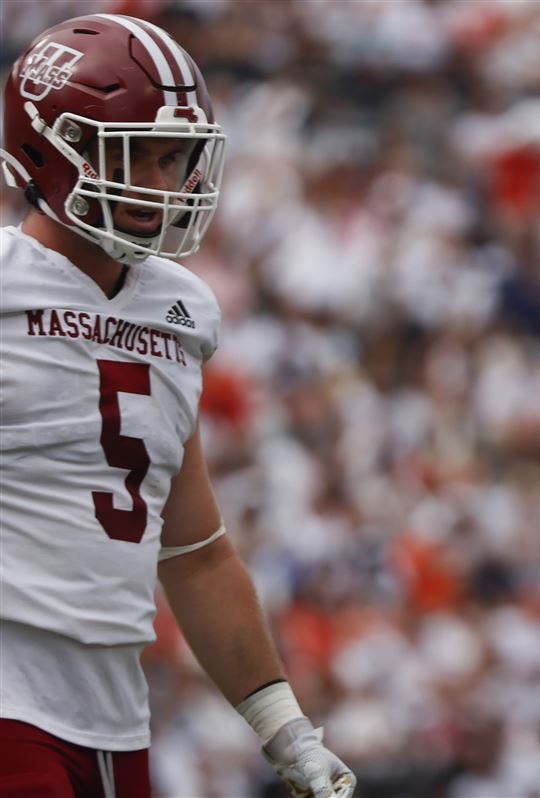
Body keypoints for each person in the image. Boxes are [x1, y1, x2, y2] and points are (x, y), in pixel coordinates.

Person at [0, 14, 355, 798]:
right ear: (50, 146)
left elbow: (196, 552)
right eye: (135, 155)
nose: (160, 184)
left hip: (115, 713)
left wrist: (284, 728)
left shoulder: (179, 309)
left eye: (171, 157)